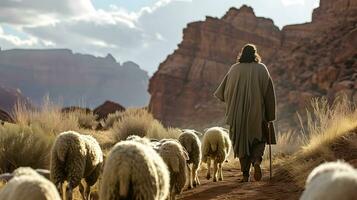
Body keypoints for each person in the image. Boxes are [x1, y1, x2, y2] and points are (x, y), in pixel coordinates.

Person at [214, 44, 276, 182]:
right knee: (259, 140)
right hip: (258, 113)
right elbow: (269, 94)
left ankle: (245, 175)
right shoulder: (262, 69)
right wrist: (270, 115)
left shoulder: (234, 69)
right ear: (255, 54)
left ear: (242, 54)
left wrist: (236, 102)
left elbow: (224, 92)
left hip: (238, 116)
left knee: (241, 142)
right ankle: (257, 162)